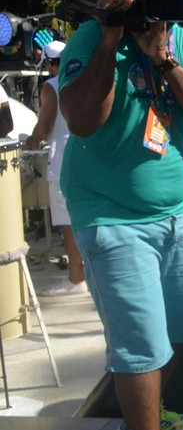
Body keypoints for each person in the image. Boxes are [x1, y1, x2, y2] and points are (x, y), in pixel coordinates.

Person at [58, 0, 183, 430]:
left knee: (181, 330)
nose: (157, 5)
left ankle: (147, 419)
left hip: (175, 211)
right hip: (109, 212)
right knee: (140, 345)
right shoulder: (90, 37)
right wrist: (110, 35)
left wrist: (164, 58)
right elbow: (84, 119)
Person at [24, 41, 87, 296]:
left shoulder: (51, 86)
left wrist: (30, 140)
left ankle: (76, 279)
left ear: (51, 63)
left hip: (62, 161)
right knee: (86, 219)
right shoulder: (85, 81)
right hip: (87, 159)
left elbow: (43, 129)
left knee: (68, 223)